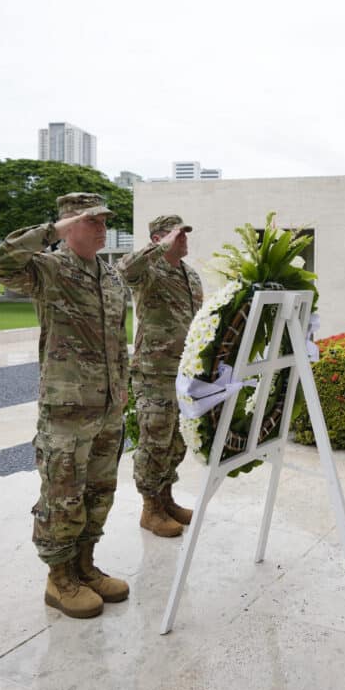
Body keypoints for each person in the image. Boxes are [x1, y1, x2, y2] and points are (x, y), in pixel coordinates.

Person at [0, 192, 131, 619]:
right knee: (62, 494)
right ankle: (59, 578)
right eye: (93, 221)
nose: (103, 229)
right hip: (66, 408)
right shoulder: (49, 269)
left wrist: (122, 388)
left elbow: (119, 339)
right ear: (69, 226)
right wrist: (49, 233)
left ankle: (85, 565)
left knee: (100, 492)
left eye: (105, 222)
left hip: (106, 407)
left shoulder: (112, 277)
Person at [117, 214, 203, 537]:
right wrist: (159, 248)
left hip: (184, 373)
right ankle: (150, 509)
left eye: (185, 234)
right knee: (154, 439)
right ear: (158, 239)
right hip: (154, 372)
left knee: (177, 440)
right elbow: (124, 269)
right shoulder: (148, 271)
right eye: (177, 235)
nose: (184, 239)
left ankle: (166, 499)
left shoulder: (191, 276)